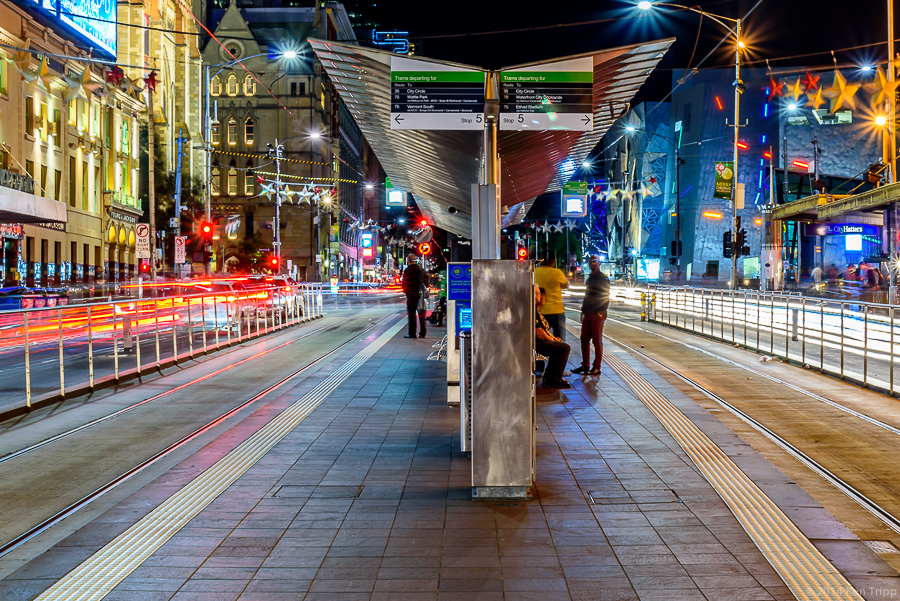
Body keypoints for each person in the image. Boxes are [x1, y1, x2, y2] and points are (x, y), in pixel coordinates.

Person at [573, 255, 609, 376]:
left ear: (598, 263)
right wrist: (583, 311)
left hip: (597, 313)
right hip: (588, 313)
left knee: (596, 341)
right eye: (590, 261)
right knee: (584, 339)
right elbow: (587, 296)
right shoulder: (591, 277)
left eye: (595, 261)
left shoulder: (601, 277)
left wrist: (601, 311)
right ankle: (585, 365)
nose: (592, 263)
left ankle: (596, 367)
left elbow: (606, 294)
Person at [535, 286, 571, 389]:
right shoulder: (532, 310)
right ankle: (553, 378)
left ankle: (550, 378)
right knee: (564, 348)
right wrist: (552, 339)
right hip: (536, 343)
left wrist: (553, 338)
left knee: (560, 346)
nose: (540, 296)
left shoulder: (536, 311)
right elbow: (539, 332)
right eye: (538, 293)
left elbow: (544, 330)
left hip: (537, 342)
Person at [534, 250, 569, 341]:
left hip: (540, 311)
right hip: (556, 311)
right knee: (559, 338)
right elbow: (566, 284)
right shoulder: (557, 272)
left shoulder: (535, 271)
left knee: (543, 339)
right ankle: (559, 354)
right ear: (553, 261)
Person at [401, 255, 426, 338]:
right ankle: (422, 333)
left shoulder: (408, 270)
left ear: (408, 260)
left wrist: (406, 292)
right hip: (421, 294)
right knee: (421, 313)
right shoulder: (420, 269)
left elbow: (405, 283)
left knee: (412, 314)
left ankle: (412, 333)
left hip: (412, 295)